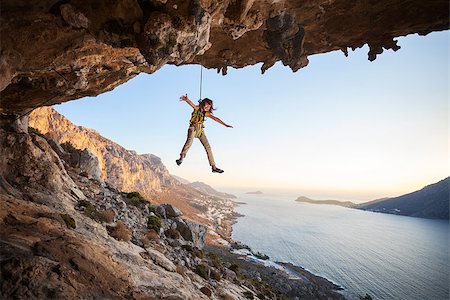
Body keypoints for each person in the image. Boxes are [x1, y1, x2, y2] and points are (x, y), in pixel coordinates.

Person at [176, 94, 233, 173]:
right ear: (203, 104)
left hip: (200, 130)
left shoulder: (206, 113)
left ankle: (213, 167)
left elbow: (216, 119)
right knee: (189, 141)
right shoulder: (197, 108)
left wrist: (225, 125)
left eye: (209, 106)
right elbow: (192, 105)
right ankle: (181, 158)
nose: (208, 107)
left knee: (208, 147)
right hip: (193, 128)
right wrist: (187, 100)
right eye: (206, 105)